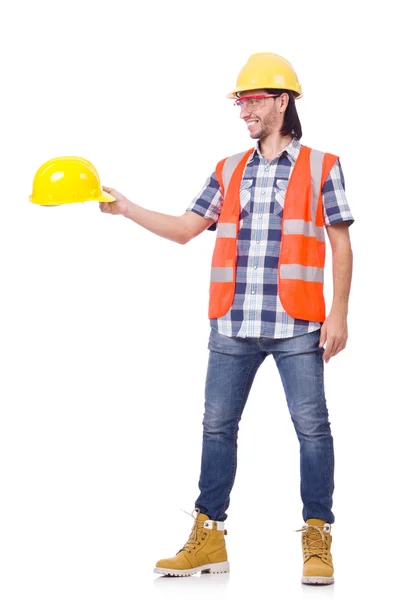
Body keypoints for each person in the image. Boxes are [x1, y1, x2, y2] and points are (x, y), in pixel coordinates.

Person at [99, 52, 354, 586]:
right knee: (217, 429)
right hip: (232, 324)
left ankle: (318, 534)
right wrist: (127, 209)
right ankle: (209, 535)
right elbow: (184, 229)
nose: (245, 111)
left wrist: (339, 313)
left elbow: (340, 243)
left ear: (283, 101)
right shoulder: (228, 169)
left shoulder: (322, 166)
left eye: (254, 99)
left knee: (312, 430)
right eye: (241, 101)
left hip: (298, 325)